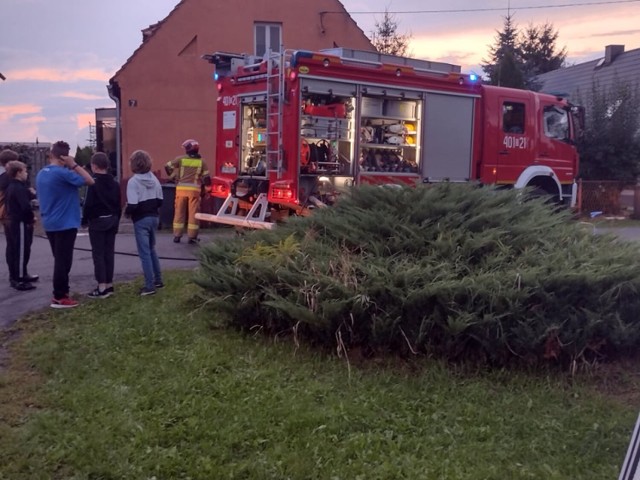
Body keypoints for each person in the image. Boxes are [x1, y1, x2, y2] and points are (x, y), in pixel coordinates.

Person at [36, 140, 95, 309]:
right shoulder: (62, 174)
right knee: (63, 261)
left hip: (49, 222)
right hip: (65, 222)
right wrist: (74, 165)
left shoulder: (42, 173)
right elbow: (90, 181)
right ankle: (59, 296)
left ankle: (63, 292)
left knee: (59, 258)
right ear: (64, 157)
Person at [82, 152, 121, 299]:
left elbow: (88, 204)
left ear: (94, 166)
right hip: (112, 219)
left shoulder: (93, 183)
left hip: (98, 222)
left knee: (98, 254)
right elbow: (118, 203)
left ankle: (101, 287)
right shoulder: (115, 183)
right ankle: (110, 284)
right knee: (109, 253)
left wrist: (84, 220)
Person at [125, 150, 164, 296]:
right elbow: (160, 200)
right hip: (154, 217)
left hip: (141, 219)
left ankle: (149, 286)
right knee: (152, 248)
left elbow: (133, 204)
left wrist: (127, 212)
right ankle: (158, 279)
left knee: (144, 253)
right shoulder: (154, 179)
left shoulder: (133, 182)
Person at [164, 139, 211, 244]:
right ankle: (192, 237)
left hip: (181, 191)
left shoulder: (180, 159)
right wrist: (207, 191)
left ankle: (177, 236)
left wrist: (172, 177)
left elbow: (167, 166)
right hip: (194, 192)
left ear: (187, 149)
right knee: (193, 215)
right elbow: (206, 178)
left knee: (179, 213)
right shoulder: (202, 162)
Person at [4, 160, 37, 291]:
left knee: (15, 249)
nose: (27, 173)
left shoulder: (12, 187)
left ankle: (17, 275)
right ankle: (20, 279)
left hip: (13, 221)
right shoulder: (18, 188)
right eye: (25, 171)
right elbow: (25, 207)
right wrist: (31, 218)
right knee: (21, 250)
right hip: (20, 222)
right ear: (18, 173)